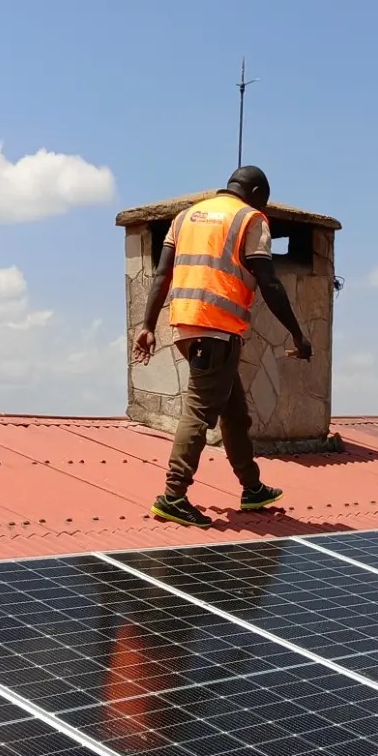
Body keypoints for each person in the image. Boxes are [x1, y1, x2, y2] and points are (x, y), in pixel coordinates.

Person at [132, 165, 312, 528]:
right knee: (199, 413)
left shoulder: (185, 218)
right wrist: (297, 333)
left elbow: (162, 274)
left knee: (233, 411)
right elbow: (269, 282)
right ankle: (173, 496)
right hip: (217, 330)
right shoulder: (250, 219)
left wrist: (148, 324)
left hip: (187, 326)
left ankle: (252, 487)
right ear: (257, 191)